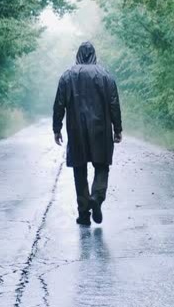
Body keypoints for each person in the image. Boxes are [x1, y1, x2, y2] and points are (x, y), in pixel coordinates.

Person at [53, 41, 123, 226]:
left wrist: (56, 128)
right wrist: (118, 129)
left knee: (79, 170)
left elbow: (59, 104)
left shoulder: (67, 76)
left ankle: (84, 214)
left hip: (76, 129)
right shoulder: (105, 75)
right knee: (102, 167)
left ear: (77, 55)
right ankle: (97, 198)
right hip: (100, 128)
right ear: (94, 55)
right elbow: (114, 103)